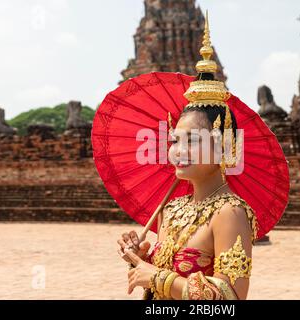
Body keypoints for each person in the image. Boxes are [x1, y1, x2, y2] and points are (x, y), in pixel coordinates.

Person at [117, 12, 258, 300]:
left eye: (192, 140)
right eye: (174, 140)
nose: (178, 151)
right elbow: (157, 288)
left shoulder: (229, 213)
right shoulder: (171, 209)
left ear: (223, 146)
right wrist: (140, 258)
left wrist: (155, 275)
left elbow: (230, 299)